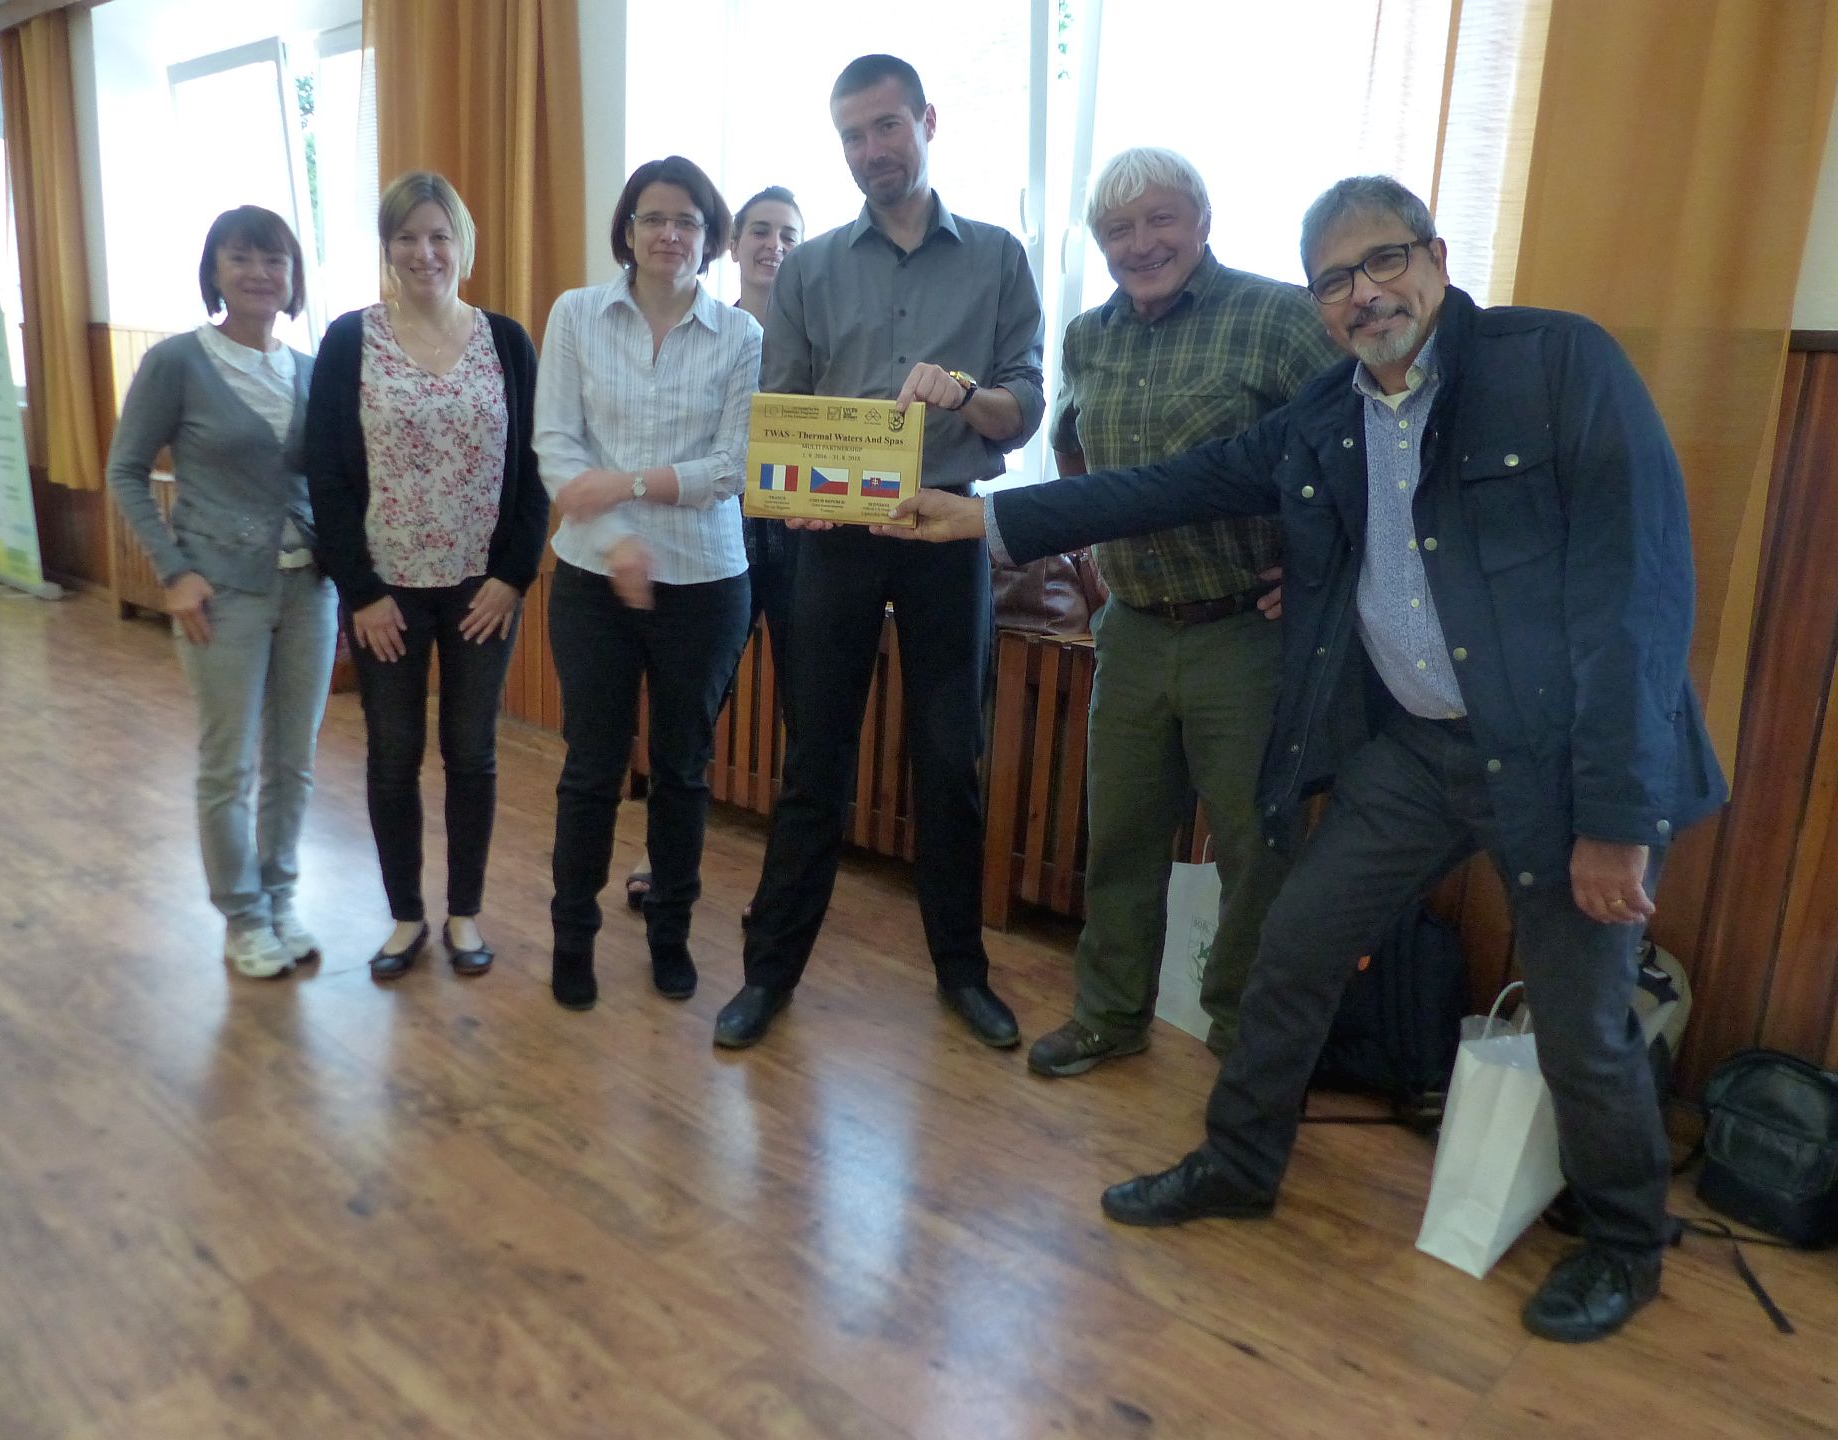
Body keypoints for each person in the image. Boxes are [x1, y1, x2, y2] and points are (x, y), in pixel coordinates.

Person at [879, 175, 1727, 1343]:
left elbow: (1641, 596)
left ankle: (1626, 1242)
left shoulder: (1555, 365)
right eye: (1335, 280)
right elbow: (1176, 485)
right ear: (1318, 304)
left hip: (1563, 767)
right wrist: (989, 517)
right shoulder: (1329, 412)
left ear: (1435, 256)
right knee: (1293, 949)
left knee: (1580, 1020)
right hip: (1417, 755)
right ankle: (1239, 1163)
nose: (1363, 294)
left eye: (1384, 262)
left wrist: (1619, 818)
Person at [711, 54, 1045, 1051]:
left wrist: (965, 394)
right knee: (814, 758)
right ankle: (768, 975)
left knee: (949, 759)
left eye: (886, 127)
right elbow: (782, 410)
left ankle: (962, 974)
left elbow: (1025, 407)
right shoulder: (808, 270)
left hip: (947, 528)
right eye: (852, 136)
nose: (870, 151)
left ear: (927, 122)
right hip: (837, 544)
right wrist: (795, 498)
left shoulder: (999, 257)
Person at [1027, 147, 1342, 1079]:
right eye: (1118, 229)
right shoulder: (1088, 335)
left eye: (1160, 219)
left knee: (1257, 851)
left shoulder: (1279, 318)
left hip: (1246, 633)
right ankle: (1109, 1015)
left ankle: (1244, 1041)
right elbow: (1072, 449)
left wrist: (1321, 567)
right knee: (1120, 838)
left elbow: (1360, 445)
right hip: (1130, 629)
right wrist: (1092, 560)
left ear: (1202, 220)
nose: (1141, 243)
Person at [308, 171, 549, 981]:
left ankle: (464, 913)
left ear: (463, 246)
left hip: (483, 593)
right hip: (388, 596)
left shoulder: (507, 342)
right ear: (387, 248)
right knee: (392, 755)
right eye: (407, 237)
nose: (424, 252)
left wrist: (514, 577)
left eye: (439, 236)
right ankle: (406, 916)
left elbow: (537, 468)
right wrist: (361, 593)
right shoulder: (350, 340)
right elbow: (327, 478)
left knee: (472, 753)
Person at [534, 156, 760, 1010]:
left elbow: (731, 468)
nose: (670, 234)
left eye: (688, 221)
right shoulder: (577, 314)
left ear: (711, 236)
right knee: (592, 767)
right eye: (653, 218)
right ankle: (573, 937)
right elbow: (557, 445)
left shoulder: (740, 335)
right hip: (592, 577)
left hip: (706, 580)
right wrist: (617, 539)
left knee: (683, 771)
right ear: (627, 229)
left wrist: (628, 486)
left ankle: (670, 933)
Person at [106, 206, 335, 980]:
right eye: (241, 258)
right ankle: (242, 915)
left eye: (275, 261)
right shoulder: (178, 362)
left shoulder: (310, 369)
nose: (260, 274)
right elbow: (125, 471)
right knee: (227, 765)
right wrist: (173, 571)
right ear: (214, 272)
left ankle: (280, 896)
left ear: (293, 277)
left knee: (294, 762)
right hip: (220, 594)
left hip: (310, 590)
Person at [625, 184, 805, 916]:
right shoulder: (705, 331)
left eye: (790, 236)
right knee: (694, 713)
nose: (774, 247)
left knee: (806, 714)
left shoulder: (815, 341)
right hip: (714, 545)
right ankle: (657, 854)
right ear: (732, 244)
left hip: (799, 545)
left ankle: (786, 888)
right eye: (761, 231)